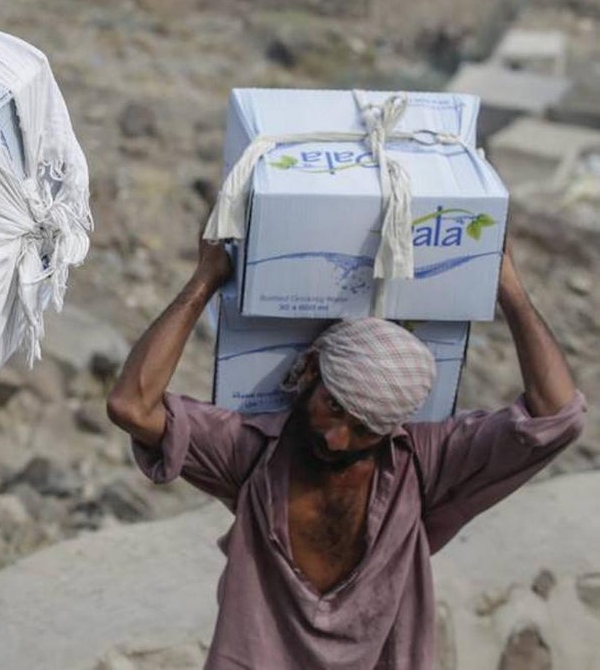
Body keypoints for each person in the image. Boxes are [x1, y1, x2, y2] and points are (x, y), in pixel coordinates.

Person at [106, 234, 585, 669]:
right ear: (311, 369)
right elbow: (132, 405)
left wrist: (507, 287)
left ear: (391, 428)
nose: (337, 439)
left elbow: (558, 416)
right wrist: (205, 279)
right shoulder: (248, 453)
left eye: (365, 431)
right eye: (333, 407)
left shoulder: (422, 466)